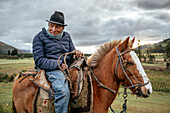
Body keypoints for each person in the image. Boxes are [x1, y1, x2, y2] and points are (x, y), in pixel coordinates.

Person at [32, 11, 84, 113]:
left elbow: (71, 53)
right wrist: (58, 65)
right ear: (48, 25)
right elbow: (39, 60)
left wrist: (75, 53)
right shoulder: (39, 37)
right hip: (51, 68)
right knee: (62, 91)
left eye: (58, 27)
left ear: (63, 28)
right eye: (51, 26)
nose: (54, 29)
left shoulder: (67, 36)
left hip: (67, 66)